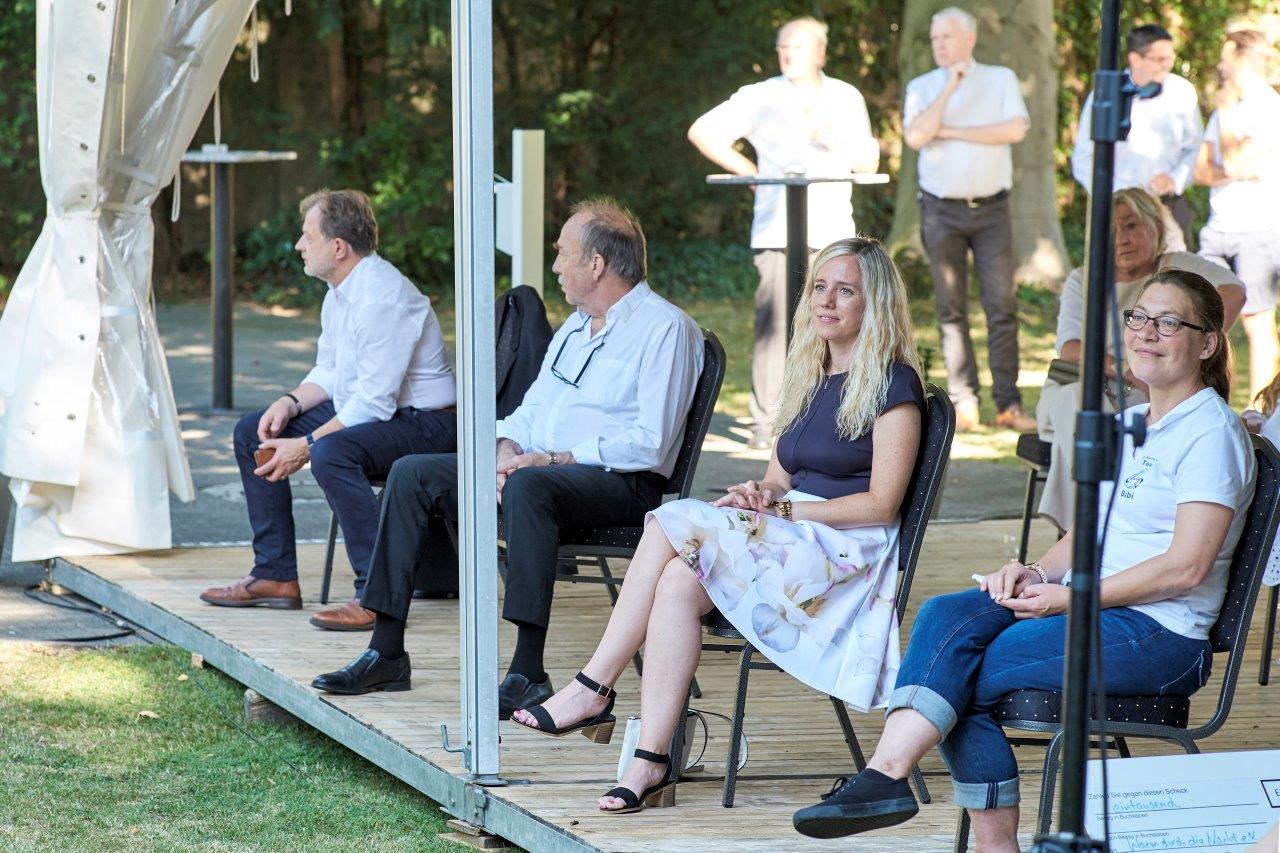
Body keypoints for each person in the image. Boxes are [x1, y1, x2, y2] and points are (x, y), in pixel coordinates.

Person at [792, 268, 1256, 849]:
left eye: (1168, 323)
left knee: (966, 673)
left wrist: (1071, 597)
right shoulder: (1130, 424)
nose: (1145, 332)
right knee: (945, 615)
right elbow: (1087, 533)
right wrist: (1034, 572)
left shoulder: (1211, 433)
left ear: (1208, 343)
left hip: (1161, 634)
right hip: (1095, 607)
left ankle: (944, 815)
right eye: (1138, 317)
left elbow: (1186, 567)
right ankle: (886, 779)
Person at [507, 237, 925, 815]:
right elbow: (780, 477)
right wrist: (761, 495)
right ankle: (650, 760)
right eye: (819, 287)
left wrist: (785, 511)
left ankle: (593, 687)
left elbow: (881, 505)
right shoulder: (811, 373)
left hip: (842, 555)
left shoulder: (894, 385)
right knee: (678, 582)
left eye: (845, 290)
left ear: (874, 303)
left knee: (670, 520)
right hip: (791, 535)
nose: (826, 301)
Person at [311, 197, 704, 720]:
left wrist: (551, 460)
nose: (555, 265)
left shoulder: (666, 329)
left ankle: (527, 670)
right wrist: (504, 449)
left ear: (596, 264)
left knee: (528, 486)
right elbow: (528, 412)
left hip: (621, 483)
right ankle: (385, 652)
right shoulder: (575, 328)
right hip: (543, 471)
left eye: (562, 253)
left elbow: (651, 443)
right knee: (412, 473)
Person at [199, 189, 457, 630]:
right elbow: (333, 373)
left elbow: (374, 403)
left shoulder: (380, 298)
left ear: (338, 247)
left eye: (308, 236)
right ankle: (275, 574)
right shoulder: (339, 292)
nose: (299, 245)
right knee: (252, 432)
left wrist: (305, 444)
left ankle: (377, 597)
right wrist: (290, 403)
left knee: (332, 453)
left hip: (429, 423)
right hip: (380, 411)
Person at [688, 16, 879, 450]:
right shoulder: (760, 95)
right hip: (777, 228)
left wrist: (837, 139)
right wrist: (748, 171)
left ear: (821, 53)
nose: (788, 54)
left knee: (835, 322)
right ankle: (768, 423)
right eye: (782, 47)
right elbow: (702, 131)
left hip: (831, 231)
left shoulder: (844, 97)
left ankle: (836, 415)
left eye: (798, 47)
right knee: (774, 326)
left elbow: (868, 160)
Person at [1036, 187, 1244, 530]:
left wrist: (1197, 346)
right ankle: (1092, 527)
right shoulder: (1084, 278)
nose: (1121, 239)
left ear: (1154, 226)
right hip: (1084, 384)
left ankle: (1085, 530)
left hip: (1140, 394)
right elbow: (1070, 347)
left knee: (1098, 421)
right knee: (1080, 405)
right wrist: (1123, 368)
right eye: (1111, 230)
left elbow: (1233, 291)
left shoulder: (1174, 268)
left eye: (1131, 226)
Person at [904, 7, 1032, 434]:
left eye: (947, 37)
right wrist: (950, 87)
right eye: (935, 38)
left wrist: (953, 132)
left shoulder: (1000, 79)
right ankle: (965, 400)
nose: (939, 45)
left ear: (969, 39)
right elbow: (916, 136)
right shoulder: (923, 87)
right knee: (951, 308)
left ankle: (1008, 403)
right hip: (941, 210)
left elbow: (1014, 130)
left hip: (992, 209)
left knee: (1002, 306)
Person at [1195, 29, 1280, 402]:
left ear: (1243, 60)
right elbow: (1201, 172)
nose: (1220, 66)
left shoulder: (1269, 109)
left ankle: (1259, 412)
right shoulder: (1224, 110)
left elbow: (1227, 162)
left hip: (1258, 228)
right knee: (1211, 322)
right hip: (1218, 228)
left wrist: (1228, 119)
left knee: (1256, 323)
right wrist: (1236, 169)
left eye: (1225, 58)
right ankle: (1218, 404)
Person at [1071, 24, 1203, 250]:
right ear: (1135, 59)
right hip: (1119, 208)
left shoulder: (1182, 92)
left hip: (1168, 204)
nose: (1167, 65)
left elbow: (1196, 148)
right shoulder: (1106, 95)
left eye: (1169, 58)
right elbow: (1083, 157)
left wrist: (1175, 179)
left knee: (1177, 269)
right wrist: (1118, 195)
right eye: (1159, 59)